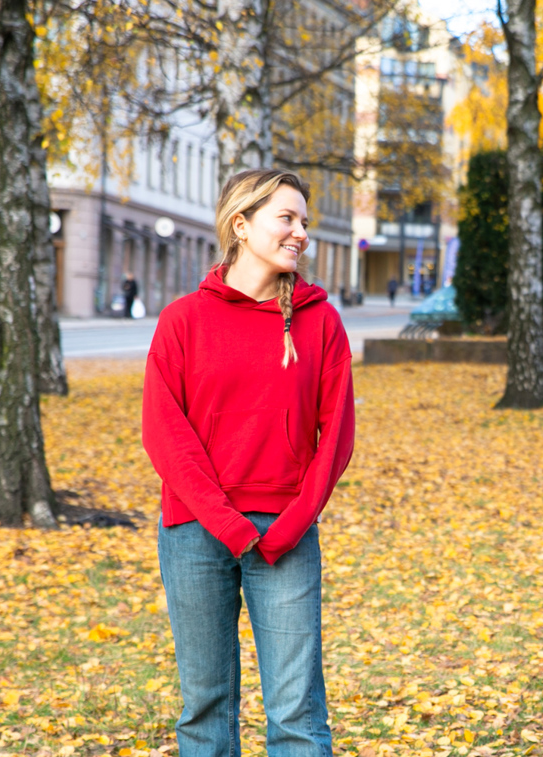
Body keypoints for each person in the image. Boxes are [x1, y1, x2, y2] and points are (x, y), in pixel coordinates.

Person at [142, 168, 355, 757]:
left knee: (296, 713)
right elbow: (165, 434)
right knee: (205, 708)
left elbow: (335, 437)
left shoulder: (319, 322)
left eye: (304, 222)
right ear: (242, 224)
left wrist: (288, 527)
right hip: (196, 533)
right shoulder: (184, 320)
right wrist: (229, 525)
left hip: (284, 536)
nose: (300, 233)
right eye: (286, 218)